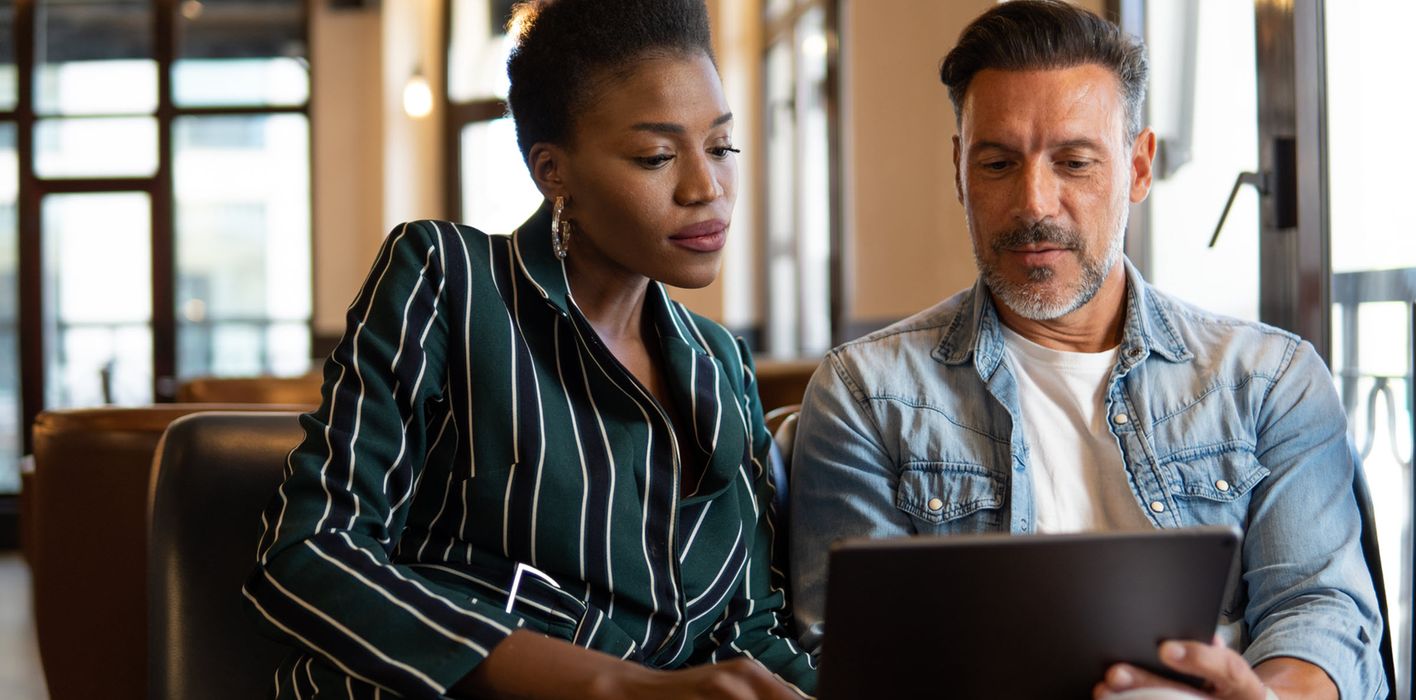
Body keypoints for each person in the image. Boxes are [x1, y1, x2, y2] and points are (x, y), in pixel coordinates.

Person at [787, 2, 1384, 699]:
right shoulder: (865, 393)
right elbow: (855, 658)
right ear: (959, 170)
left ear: (1137, 167)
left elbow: (1319, 613)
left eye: (1073, 162)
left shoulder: (1271, 380)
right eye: (998, 162)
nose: (1034, 203)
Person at [241, 1, 816, 697]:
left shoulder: (721, 366)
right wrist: (616, 687)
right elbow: (310, 555)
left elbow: (749, 632)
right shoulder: (447, 279)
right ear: (553, 171)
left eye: (722, 146)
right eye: (656, 156)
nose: (707, 188)